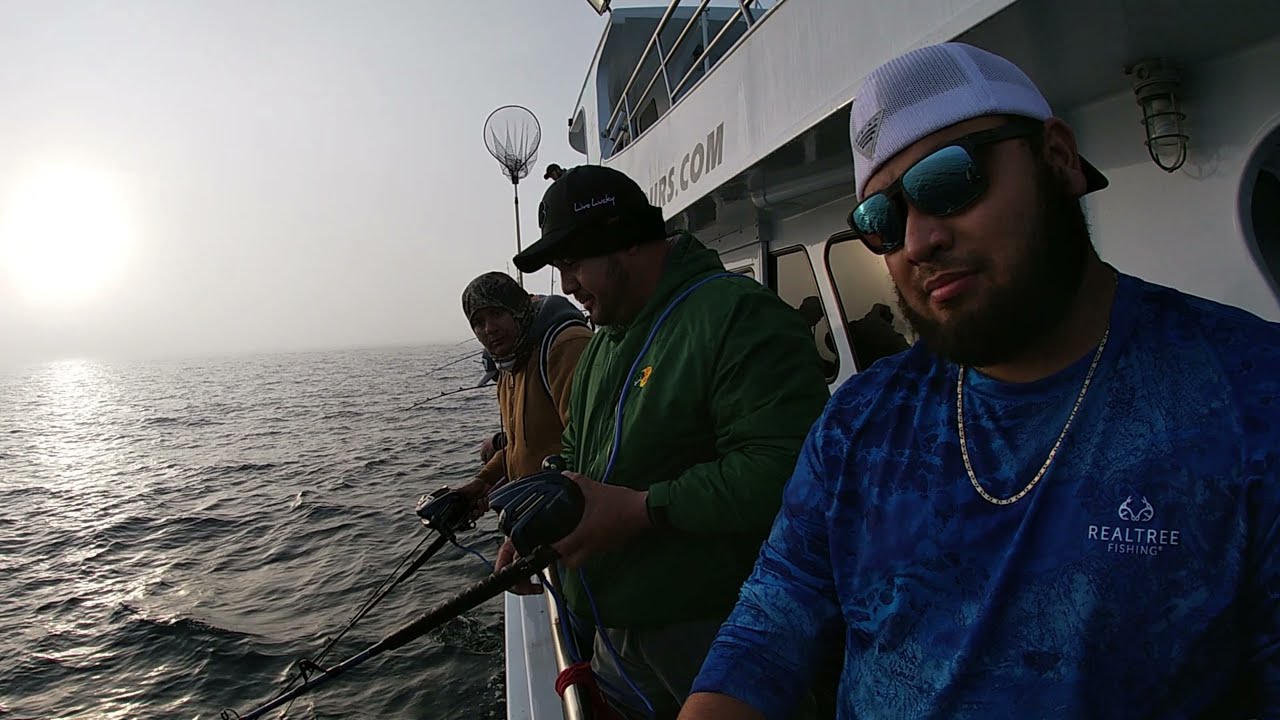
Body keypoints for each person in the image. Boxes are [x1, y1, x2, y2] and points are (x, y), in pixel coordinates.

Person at [682, 42, 1280, 720]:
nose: (917, 240)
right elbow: (769, 626)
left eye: (949, 182)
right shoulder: (859, 424)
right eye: (883, 220)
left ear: (1056, 158)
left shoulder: (1249, 397)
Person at [500, 164, 830, 719]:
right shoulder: (604, 344)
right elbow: (578, 448)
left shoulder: (737, 315)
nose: (567, 287)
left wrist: (641, 510)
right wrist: (545, 523)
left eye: (573, 264)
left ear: (621, 240)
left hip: (712, 641)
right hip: (616, 639)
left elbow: (790, 472)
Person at [454, 272, 592, 508]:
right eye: (478, 322)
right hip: (535, 514)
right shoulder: (509, 364)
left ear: (518, 309)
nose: (489, 329)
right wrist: (484, 481)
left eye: (497, 313)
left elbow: (591, 446)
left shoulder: (565, 347)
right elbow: (521, 445)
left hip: (573, 513)